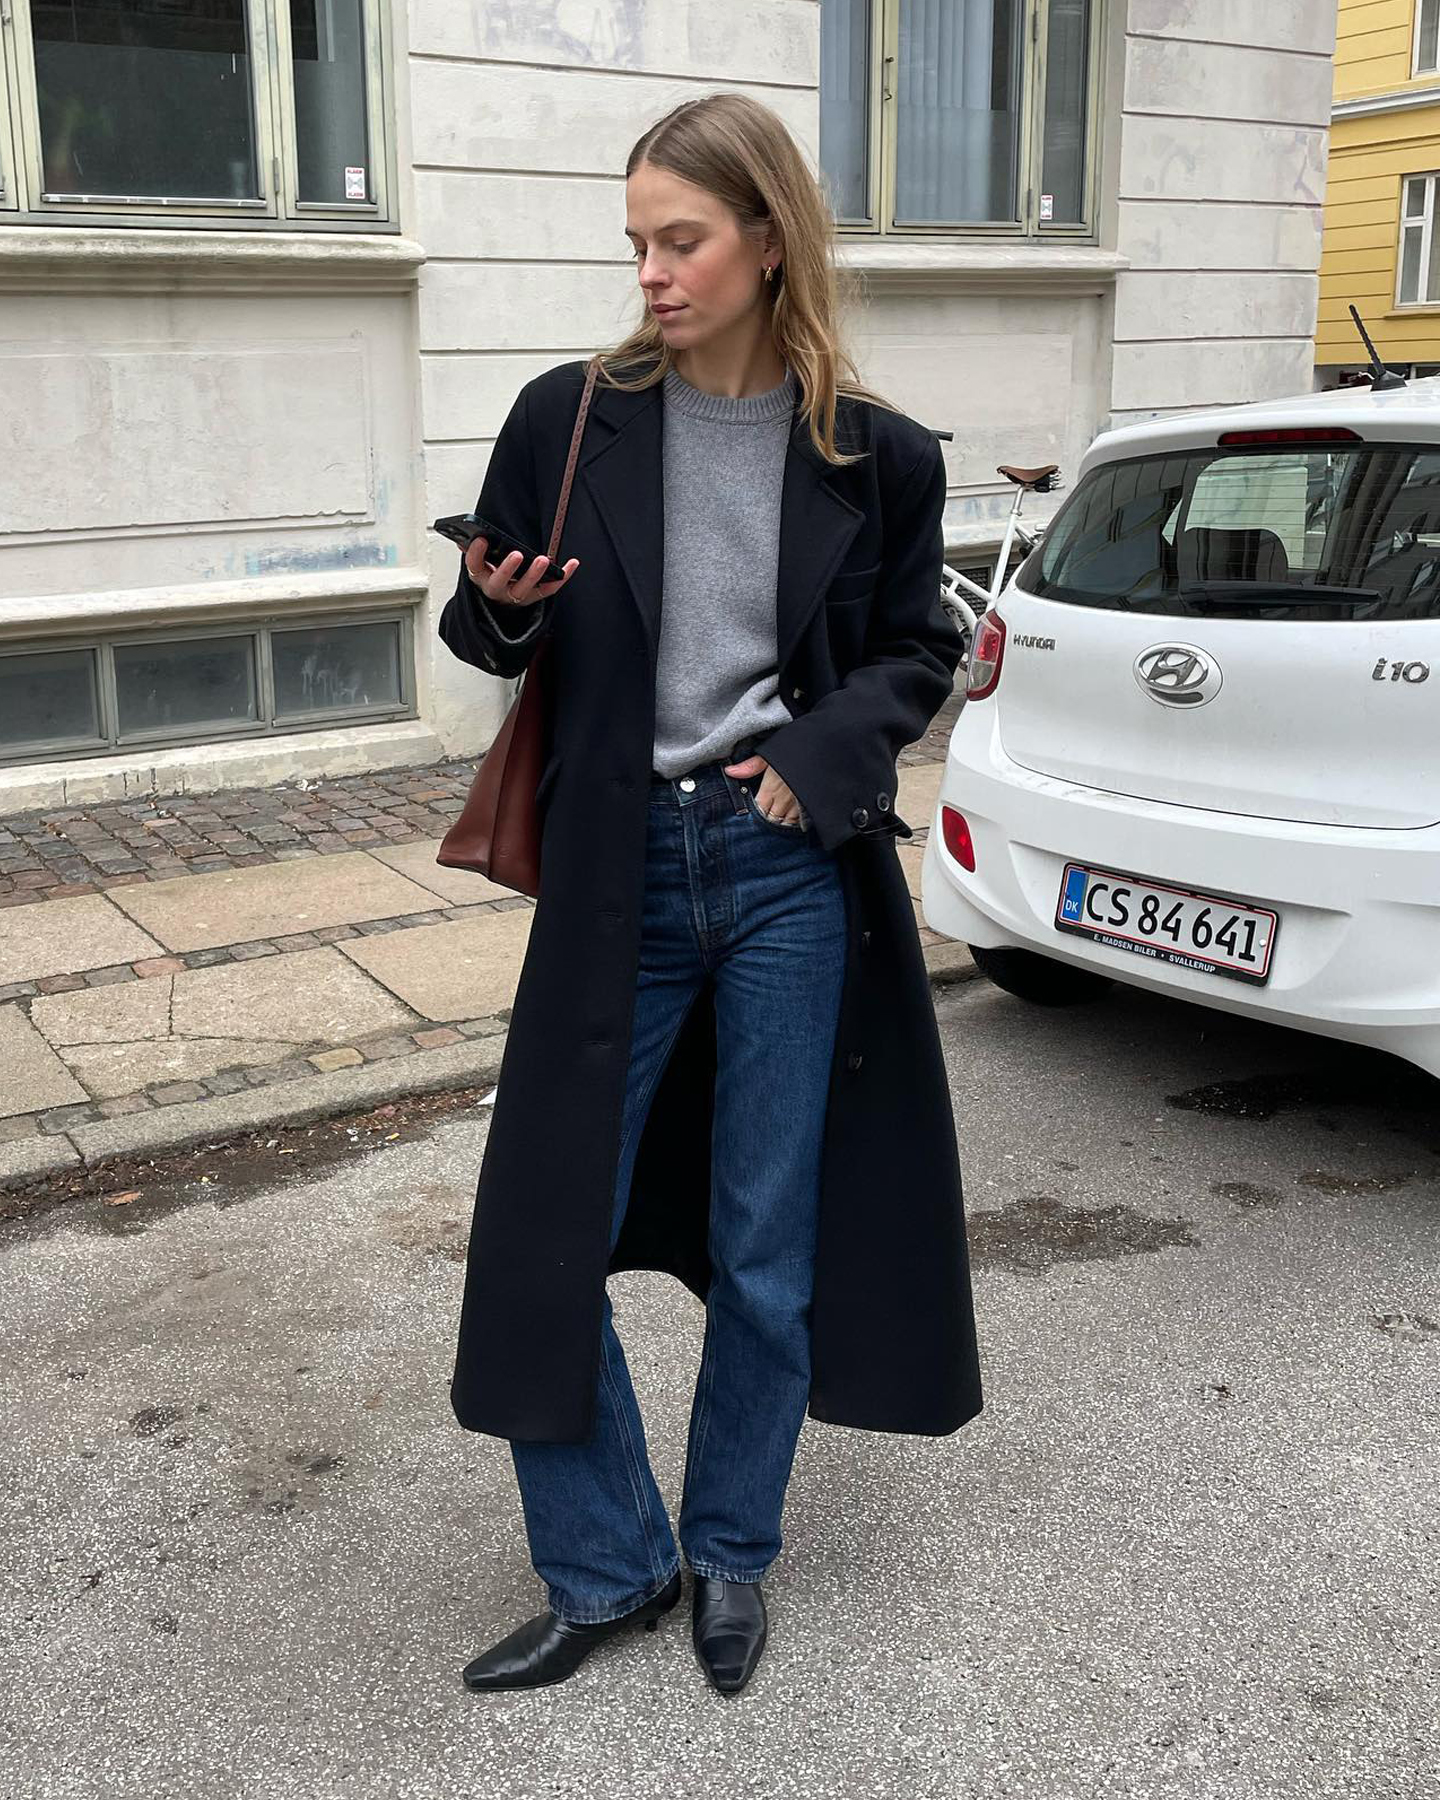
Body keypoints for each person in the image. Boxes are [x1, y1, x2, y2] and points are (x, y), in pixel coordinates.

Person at [439, 91, 982, 1698]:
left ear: (766, 240)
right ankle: (613, 1560)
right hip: (619, 864)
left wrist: (817, 758)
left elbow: (915, 650)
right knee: (547, 1230)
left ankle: (734, 1550)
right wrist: (502, 606)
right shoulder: (573, 415)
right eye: (638, 245)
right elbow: (490, 640)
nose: (654, 274)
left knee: (766, 1243)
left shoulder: (876, 455)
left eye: (682, 241)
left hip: (786, 867)